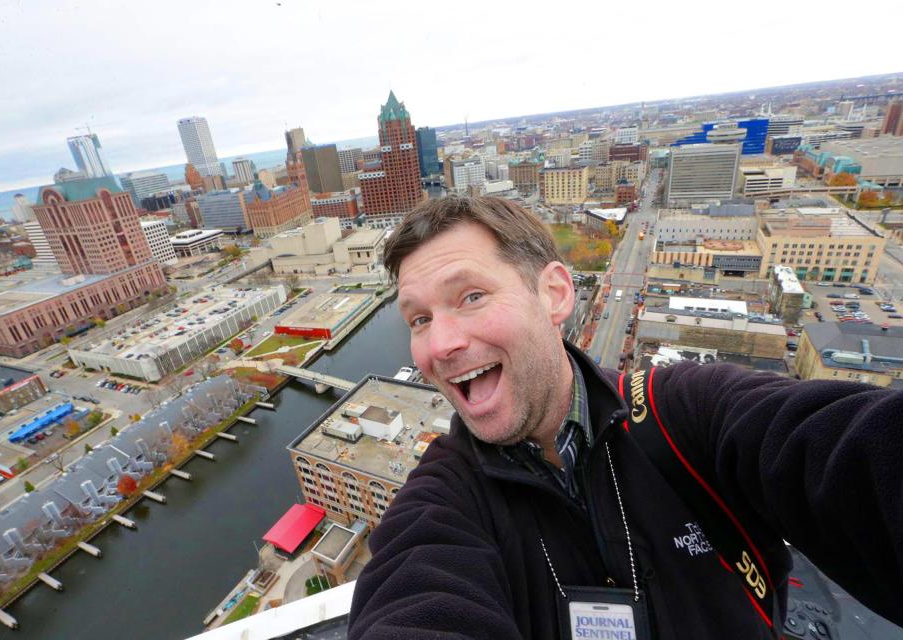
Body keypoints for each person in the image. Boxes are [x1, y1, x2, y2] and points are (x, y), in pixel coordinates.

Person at [347, 195, 903, 639]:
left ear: (555, 294)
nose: (439, 345)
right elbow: (415, 596)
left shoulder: (689, 416)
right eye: (418, 319)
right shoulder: (445, 499)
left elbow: (847, 454)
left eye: (470, 296)